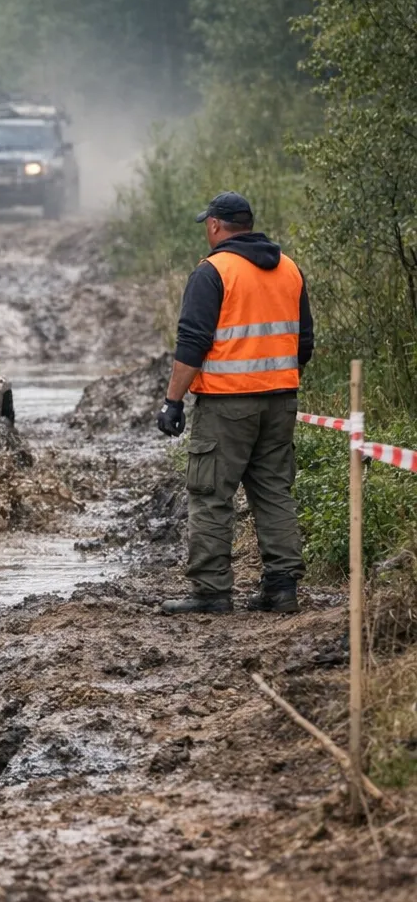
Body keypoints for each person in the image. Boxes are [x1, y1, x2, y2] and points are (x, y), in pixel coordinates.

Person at [156, 191, 315, 615]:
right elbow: (305, 345)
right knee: (274, 492)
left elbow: (192, 343)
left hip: (226, 405)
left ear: (214, 225)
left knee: (210, 494)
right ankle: (282, 590)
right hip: (281, 402)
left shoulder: (213, 272)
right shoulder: (290, 270)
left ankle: (211, 592)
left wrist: (173, 402)